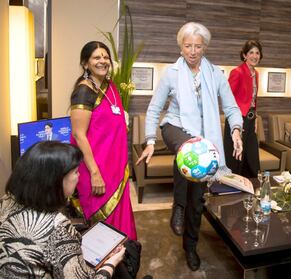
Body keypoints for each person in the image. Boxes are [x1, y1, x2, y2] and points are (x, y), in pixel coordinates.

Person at [136, 22, 250, 271]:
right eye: (188, 46)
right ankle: (178, 205)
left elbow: (231, 107)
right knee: (189, 148)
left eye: (198, 46)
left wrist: (237, 131)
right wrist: (150, 140)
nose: (192, 51)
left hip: (204, 138)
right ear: (181, 46)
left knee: (197, 198)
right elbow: (155, 108)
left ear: (205, 47)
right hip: (175, 128)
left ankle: (190, 246)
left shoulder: (215, 74)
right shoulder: (172, 73)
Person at [0, 141, 125, 278]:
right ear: (56, 180)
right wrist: (111, 263)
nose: (79, 176)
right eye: (76, 172)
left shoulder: (5, 201)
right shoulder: (57, 226)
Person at [70, 41, 136, 240]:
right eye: (96, 57)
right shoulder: (84, 91)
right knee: (103, 227)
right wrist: (95, 173)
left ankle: (123, 262)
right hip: (96, 168)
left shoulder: (109, 87)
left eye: (105, 57)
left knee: (120, 219)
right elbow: (78, 135)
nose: (102, 61)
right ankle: (103, 267)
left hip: (115, 167)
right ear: (85, 63)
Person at [224, 40, 263, 178]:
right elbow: (227, 98)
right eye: (251, 52)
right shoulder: (237, 72)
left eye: (257, 53)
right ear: (244, 55)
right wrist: (237, 121)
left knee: (251, 155)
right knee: (236, 156)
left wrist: (256, 118)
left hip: (251, 119)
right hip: (238, 120)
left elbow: (253, 99)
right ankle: (232, 188)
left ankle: (251, 187)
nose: (254, 56)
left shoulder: (256, 73)